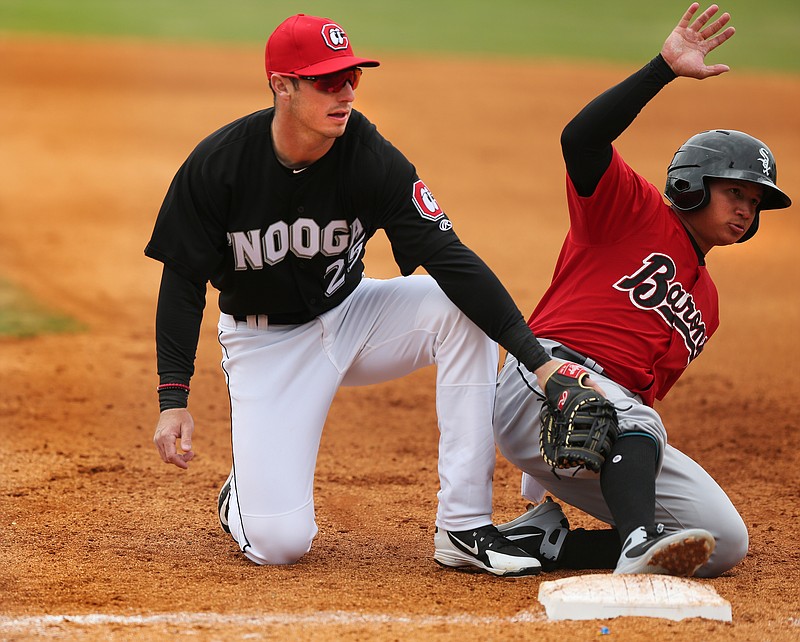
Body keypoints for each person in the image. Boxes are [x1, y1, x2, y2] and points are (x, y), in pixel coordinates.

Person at [145, 13, 569, 576]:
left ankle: (464, 527)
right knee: (281, 545)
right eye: (326, 81)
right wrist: (173, 398)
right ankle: (244, 493)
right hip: (265, 342)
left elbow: (450, 258)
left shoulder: (368, 156)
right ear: (282, 85)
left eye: (351, 77)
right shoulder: (219, 166)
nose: (344, 92)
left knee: (455, 310)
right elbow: (181, 284)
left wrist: (536, 362)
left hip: (353, 314)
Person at [493, 2, 791, 578]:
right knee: (641, 424)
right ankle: (636, 545)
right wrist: (663, 68)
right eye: (735, 192)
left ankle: (552, 545)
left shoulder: (709, 305)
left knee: (721, 541)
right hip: (546, 380)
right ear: (690, 185)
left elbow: (641, 390)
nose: (745, 209)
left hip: (596, 426)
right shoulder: (630, 211)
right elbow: (581, 139)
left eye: (754, 203)